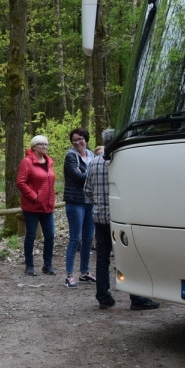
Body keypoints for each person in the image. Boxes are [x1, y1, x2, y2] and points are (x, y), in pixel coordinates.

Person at [84, 129, 160, 311]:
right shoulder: (126, 162)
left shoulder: (93, 163)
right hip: (122, 218)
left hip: (100, 218)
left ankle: (103, 297)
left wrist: (100, 203)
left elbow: (87, 190)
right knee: (130, 257)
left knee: (102, 259)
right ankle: (137, 298)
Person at [16, 135, 56, 277]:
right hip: (32, 206)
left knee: (50, 236)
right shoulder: (27, 162)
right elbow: (21, 182)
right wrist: (34, 196)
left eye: (46, 144)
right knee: (31, 236)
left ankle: (48, 264)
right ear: (34, 147)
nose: (45, 146)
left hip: (48, 206)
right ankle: (29, 265)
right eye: (41, 144)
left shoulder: (49, 161)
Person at [63, 128, 95, 288]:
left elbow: (90, 175)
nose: (77, 142)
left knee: (88, 238)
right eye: (74, 140)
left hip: (90, 201)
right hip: (75, 201)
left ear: (86, 139)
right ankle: (69, 275)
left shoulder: (92, 155)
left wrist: (85, 172)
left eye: (80, 139)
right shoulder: (70, 156)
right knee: (75, 239)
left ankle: (85, 272)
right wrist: (89, 174)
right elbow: (77, 177)